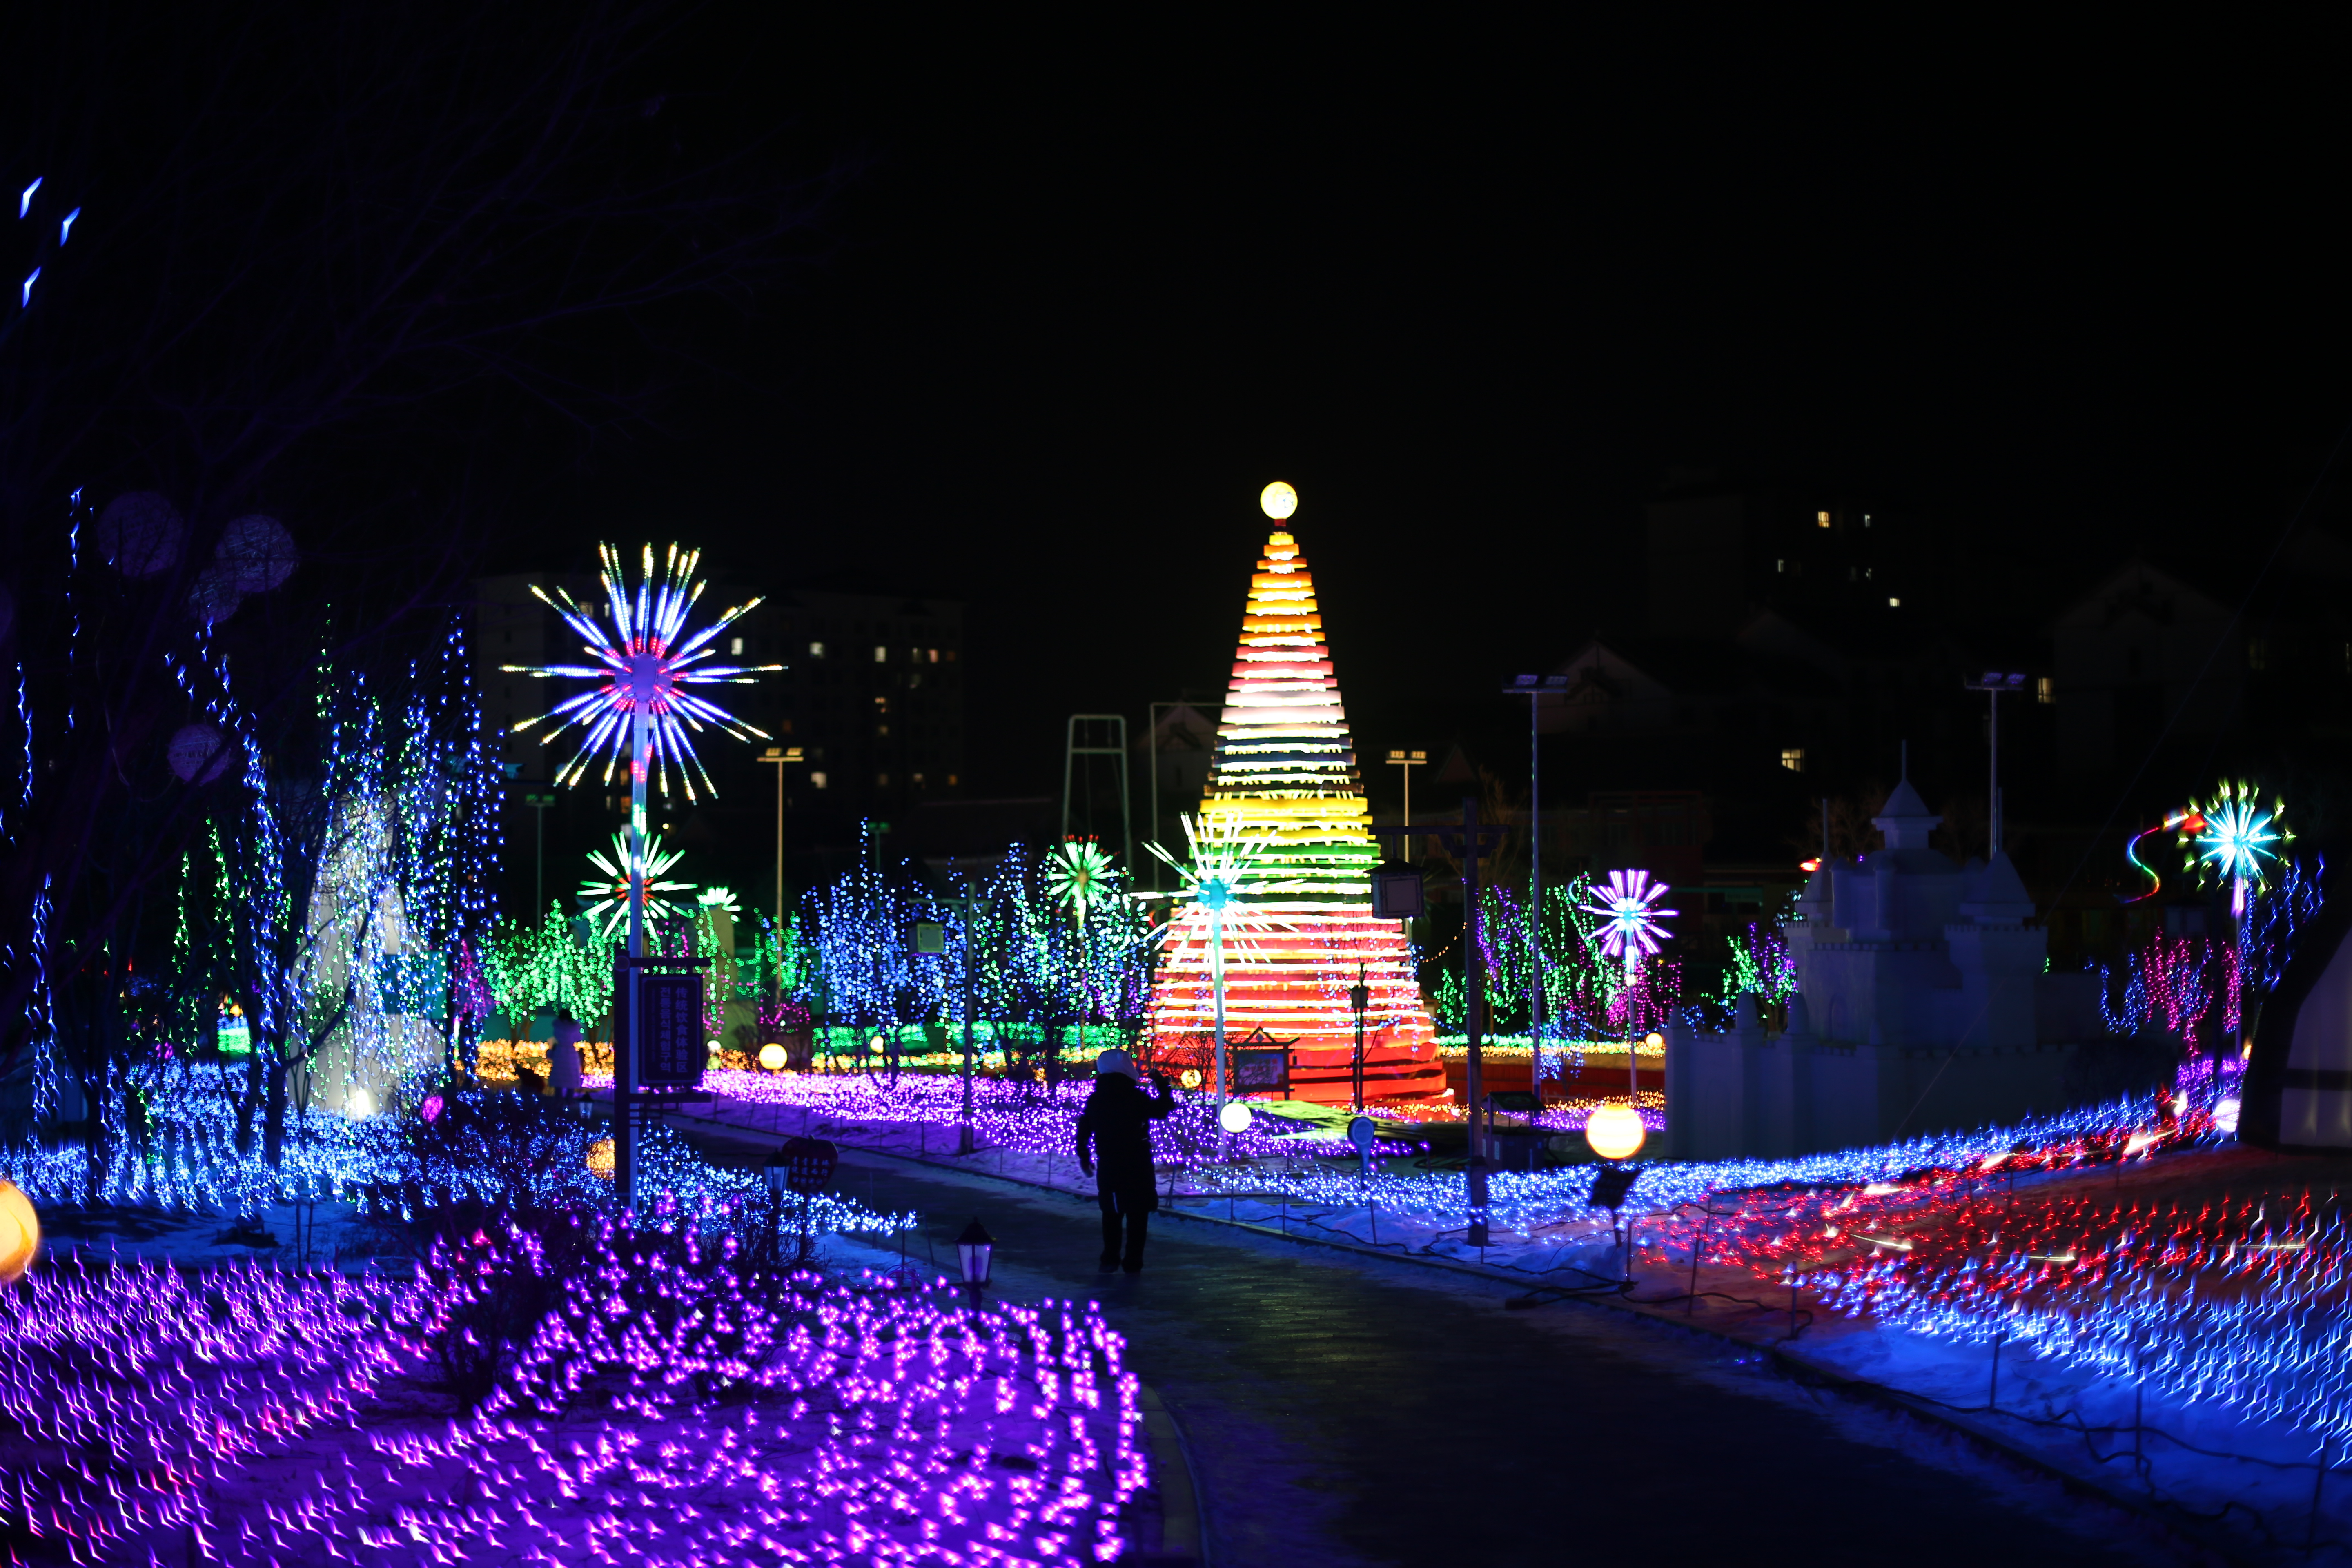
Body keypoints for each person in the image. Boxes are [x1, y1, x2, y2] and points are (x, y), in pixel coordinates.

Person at [1075, 1048, 1174, 1274]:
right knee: (1138, 1215)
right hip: (1137, 1163)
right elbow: (1162, 1111)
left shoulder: (1097, 1099)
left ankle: (1109, 1259)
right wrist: (1163, 1086)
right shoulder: (1136, 1097)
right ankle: (1133, 1262)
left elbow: (1084, 1128)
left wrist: (1084, 1155)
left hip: (1110, 1163)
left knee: (1111, 1213)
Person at [549, 1007, 586, 1098]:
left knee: (559, 1077)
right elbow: (579, 1038)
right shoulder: (574, 1027)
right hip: (571, 1054)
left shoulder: (557, 1026)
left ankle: (558, 1100)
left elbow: (555, 1037)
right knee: (571, 1076)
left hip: (560, 1052)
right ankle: (570, 1100)